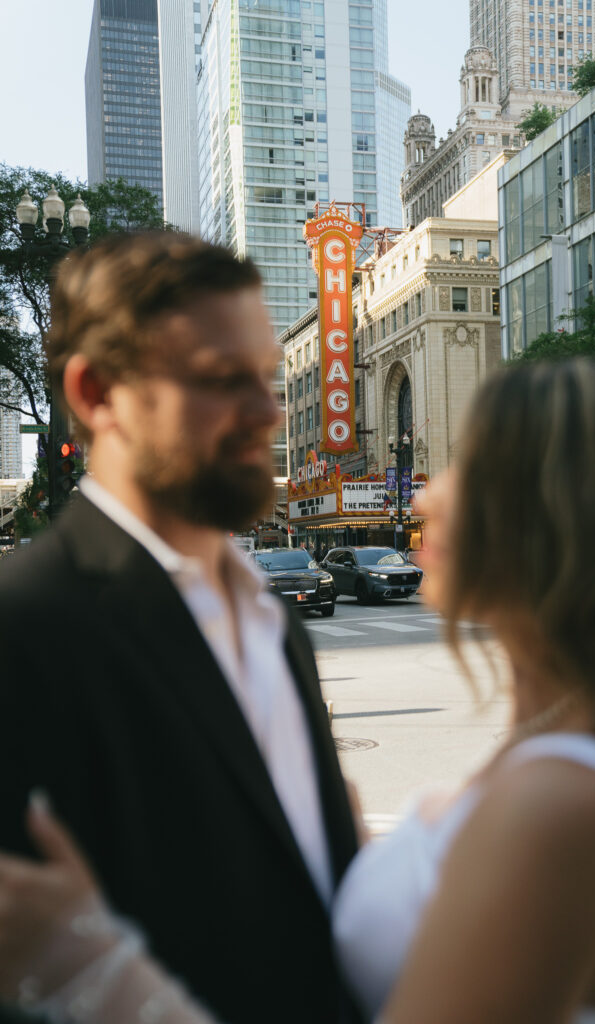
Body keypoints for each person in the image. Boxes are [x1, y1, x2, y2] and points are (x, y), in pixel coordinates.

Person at [1, 360, 595, 1024]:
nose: (423, 497)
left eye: (464, 472)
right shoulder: (568, 751)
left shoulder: (559, 805)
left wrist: (81, 961)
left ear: (557, 521)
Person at [0, 233, 360, 1024]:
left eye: (265, 375)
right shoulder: (24, 628)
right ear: (96, 394)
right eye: (220, 379)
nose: (267, 410)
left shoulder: (272, 620)